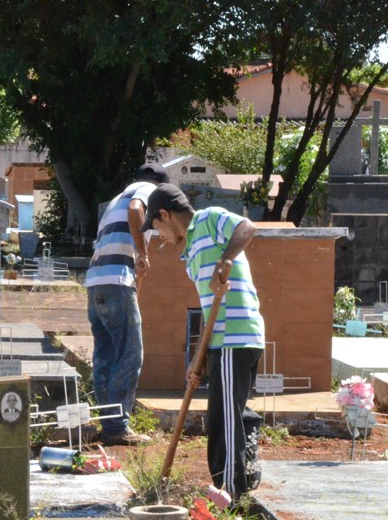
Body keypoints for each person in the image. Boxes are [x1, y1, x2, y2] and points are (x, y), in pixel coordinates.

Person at [140, 183, 265, 502]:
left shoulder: (209, 219)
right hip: (223, 340)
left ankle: (233, 496)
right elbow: (208, 308)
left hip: (234, 336)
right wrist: (200, 359)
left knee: (223, 420)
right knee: (228, 415)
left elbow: (246, 226)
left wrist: (225, 261)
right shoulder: (191, 251)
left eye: (156, 227)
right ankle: (246, 474)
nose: (160, 236)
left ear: (165, 215)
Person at [84, 163, 169, 446]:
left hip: (96, 283)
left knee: (106, 356)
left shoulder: (113, 202)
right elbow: (137, 209)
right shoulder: (145, 190)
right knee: (130, 355)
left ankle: (109, 425)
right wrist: (143, 253)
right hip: (117, 283)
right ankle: (118, 427)